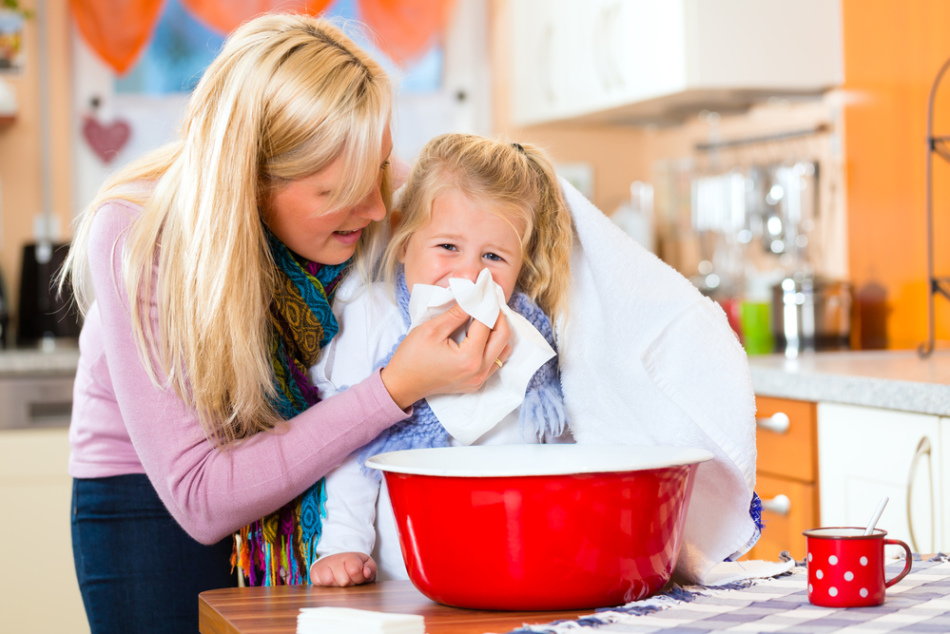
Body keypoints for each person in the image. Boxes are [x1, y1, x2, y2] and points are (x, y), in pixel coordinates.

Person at [60, 15, 510, 633]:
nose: (381, 208)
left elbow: (501, 208)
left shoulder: (358, 177)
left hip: (308, 460)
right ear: (253, 179)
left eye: (379, 169)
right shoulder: (140, 234)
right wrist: (394, 387)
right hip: (153, 495)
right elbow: (200, 496)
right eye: (343, 191)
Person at [302, 133, 575, 586]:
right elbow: (349, 446)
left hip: (507, 558)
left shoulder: (524, 333)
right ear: (404, 240)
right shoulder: (372, 314)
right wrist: (343, 544)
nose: (469, 274)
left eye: (493, 256)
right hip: (403, 574)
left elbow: (551, 442)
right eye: (448, 247)